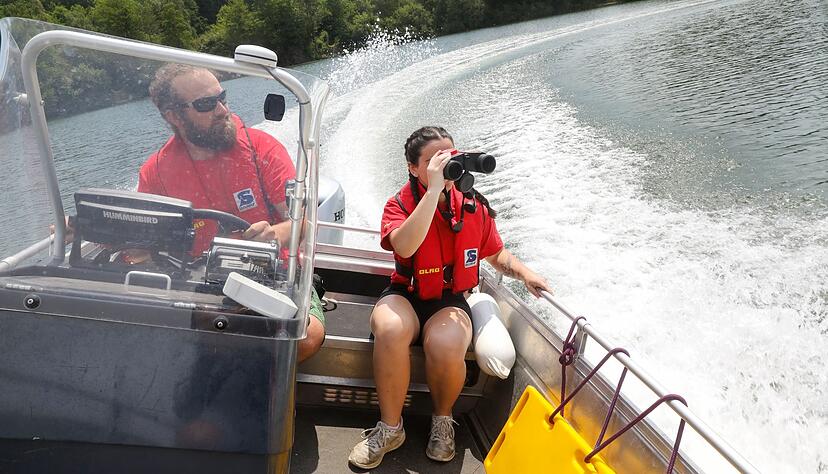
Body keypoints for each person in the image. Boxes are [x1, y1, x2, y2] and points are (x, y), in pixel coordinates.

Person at [348, 126, 551, 468]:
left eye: (450, 158)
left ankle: (443, 423)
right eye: (434, 161)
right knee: (391, 328)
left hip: (448, 298)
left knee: (445, 343)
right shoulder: (399, 205)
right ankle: (391, 428)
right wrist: (433, 193)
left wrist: (526, 273)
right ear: (415, 168)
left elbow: (496, 255)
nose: (444, 166)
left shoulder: (473, 207)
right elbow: (405, 245)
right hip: (406, 293)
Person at [138, 64, 324, 362]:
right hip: (200, 284)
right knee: (172, 337)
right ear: (173, 116)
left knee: (304, 337)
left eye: (222, 97)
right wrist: (80, 228)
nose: (222, 110)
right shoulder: (155, 172)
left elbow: (303, 225)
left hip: (277, 275)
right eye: (206, 104)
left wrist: (274, 235)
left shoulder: (261, 148)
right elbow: (143, 236)